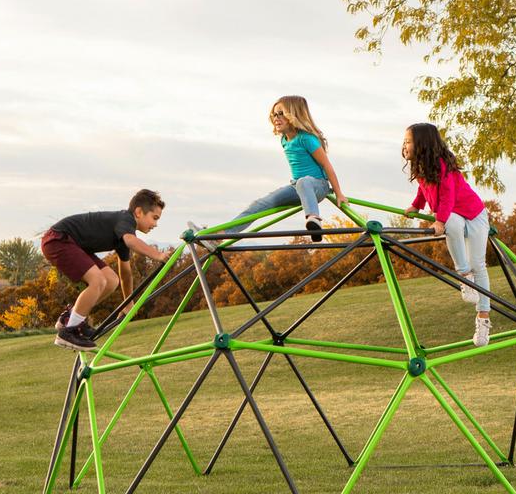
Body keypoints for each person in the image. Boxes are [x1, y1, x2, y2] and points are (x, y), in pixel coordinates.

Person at [189, 95, 347, 249]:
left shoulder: (307, 139)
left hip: (317, 186)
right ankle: (220, 236)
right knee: (260, 204)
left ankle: (314, 220)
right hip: (296, 187)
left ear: (294, 115)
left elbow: (327, 166)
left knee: (303, 181)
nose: (276, 118)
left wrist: (339, 193)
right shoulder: (284, 139)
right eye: (274, 114)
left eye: (281, 114)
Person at [41, 189, 170, 350]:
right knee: (98, 280)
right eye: (154, 218)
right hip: (58, 239)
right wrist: (158, 255)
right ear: (138, 212)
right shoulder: (125, 219)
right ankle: (69, 331)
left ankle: (70, 317)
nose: (155, 224)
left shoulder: (124, 234)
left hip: (73, 244)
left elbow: (125, 273)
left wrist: (128, 303)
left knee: (111, 280)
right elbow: (131, 241)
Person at [402, 123, 492, 347]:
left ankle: (483, 319)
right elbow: (423, 189)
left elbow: (448, 195)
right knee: (451, 221)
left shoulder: (443, 165)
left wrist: (439, 220)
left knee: (478, 263)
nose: (404, 145)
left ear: (422, 144)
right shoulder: (420, 167)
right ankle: (464, 275)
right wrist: (416, 205)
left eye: (408, 141)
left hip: (474, 214)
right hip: (454, 215)